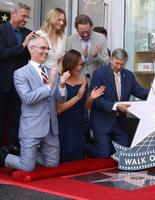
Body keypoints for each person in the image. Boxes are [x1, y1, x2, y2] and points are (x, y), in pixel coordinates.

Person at [0, 36, 70, 171]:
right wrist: (49, 86)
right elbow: (27, 98)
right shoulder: (20, 73)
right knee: (27, 167)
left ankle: (28, 156)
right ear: (31, 49)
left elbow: (60, 100)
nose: (46, 51)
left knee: (52, 164)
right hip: (32, 126)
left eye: (47, 48)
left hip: (51, 127)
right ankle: (6, 156)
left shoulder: (52, 72)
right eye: (42, 48)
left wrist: (61, 85)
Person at [87, 48, 149, 158]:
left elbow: (140, 92)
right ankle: (84, 146)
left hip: (119, 122)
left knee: (124, 153)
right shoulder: (99, 73)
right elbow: (96, 99)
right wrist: (115, 106)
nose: (119, 67)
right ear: (111, 60)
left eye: (122, 64)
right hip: (102, 120)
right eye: (117, 63)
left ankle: (108, 150)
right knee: (103, 154)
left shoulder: (129, 75)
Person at [56, 49, 105, 163]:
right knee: (64, 154)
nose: (80, 67)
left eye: (82, 64)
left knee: (76, 155)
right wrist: (77, 97)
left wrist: (91, 98)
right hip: (63, 123)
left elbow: (84, 108)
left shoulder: (83, 80)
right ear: (70, 64)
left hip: (78, 123)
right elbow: (58, 109)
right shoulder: (60, 80)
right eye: (77, 65)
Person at [0, 2, 37, 149]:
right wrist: (22, 45)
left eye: (27, 17)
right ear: (13, 14)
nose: (26, 19)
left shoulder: (28, 33)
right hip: (2, 83)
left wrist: (35, 44)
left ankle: (13, 148)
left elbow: (32, 56)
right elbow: (2, 54)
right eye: (23, 16)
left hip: (21, 85)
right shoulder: (1, 30)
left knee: (17, 119)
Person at [66, 14, 109, 80]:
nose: (85, 35)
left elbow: (107, 62)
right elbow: (67, 65)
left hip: (97, 79)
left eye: (87, 32)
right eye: (82, 32)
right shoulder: (70, 40)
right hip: (77, 80)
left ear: (91, 27)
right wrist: (82, 58)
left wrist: (97, 56)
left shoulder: (100, 38)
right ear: (77, 29)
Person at [36, 8, 67, 72]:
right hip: (39, 73)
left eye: (63, 20)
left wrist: (58, 75)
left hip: (56, 75)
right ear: (51, 19)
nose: (62, 23)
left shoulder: (62, 37)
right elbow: (35, 59)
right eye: (59, 20)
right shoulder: (39, 35)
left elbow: (60, 60)